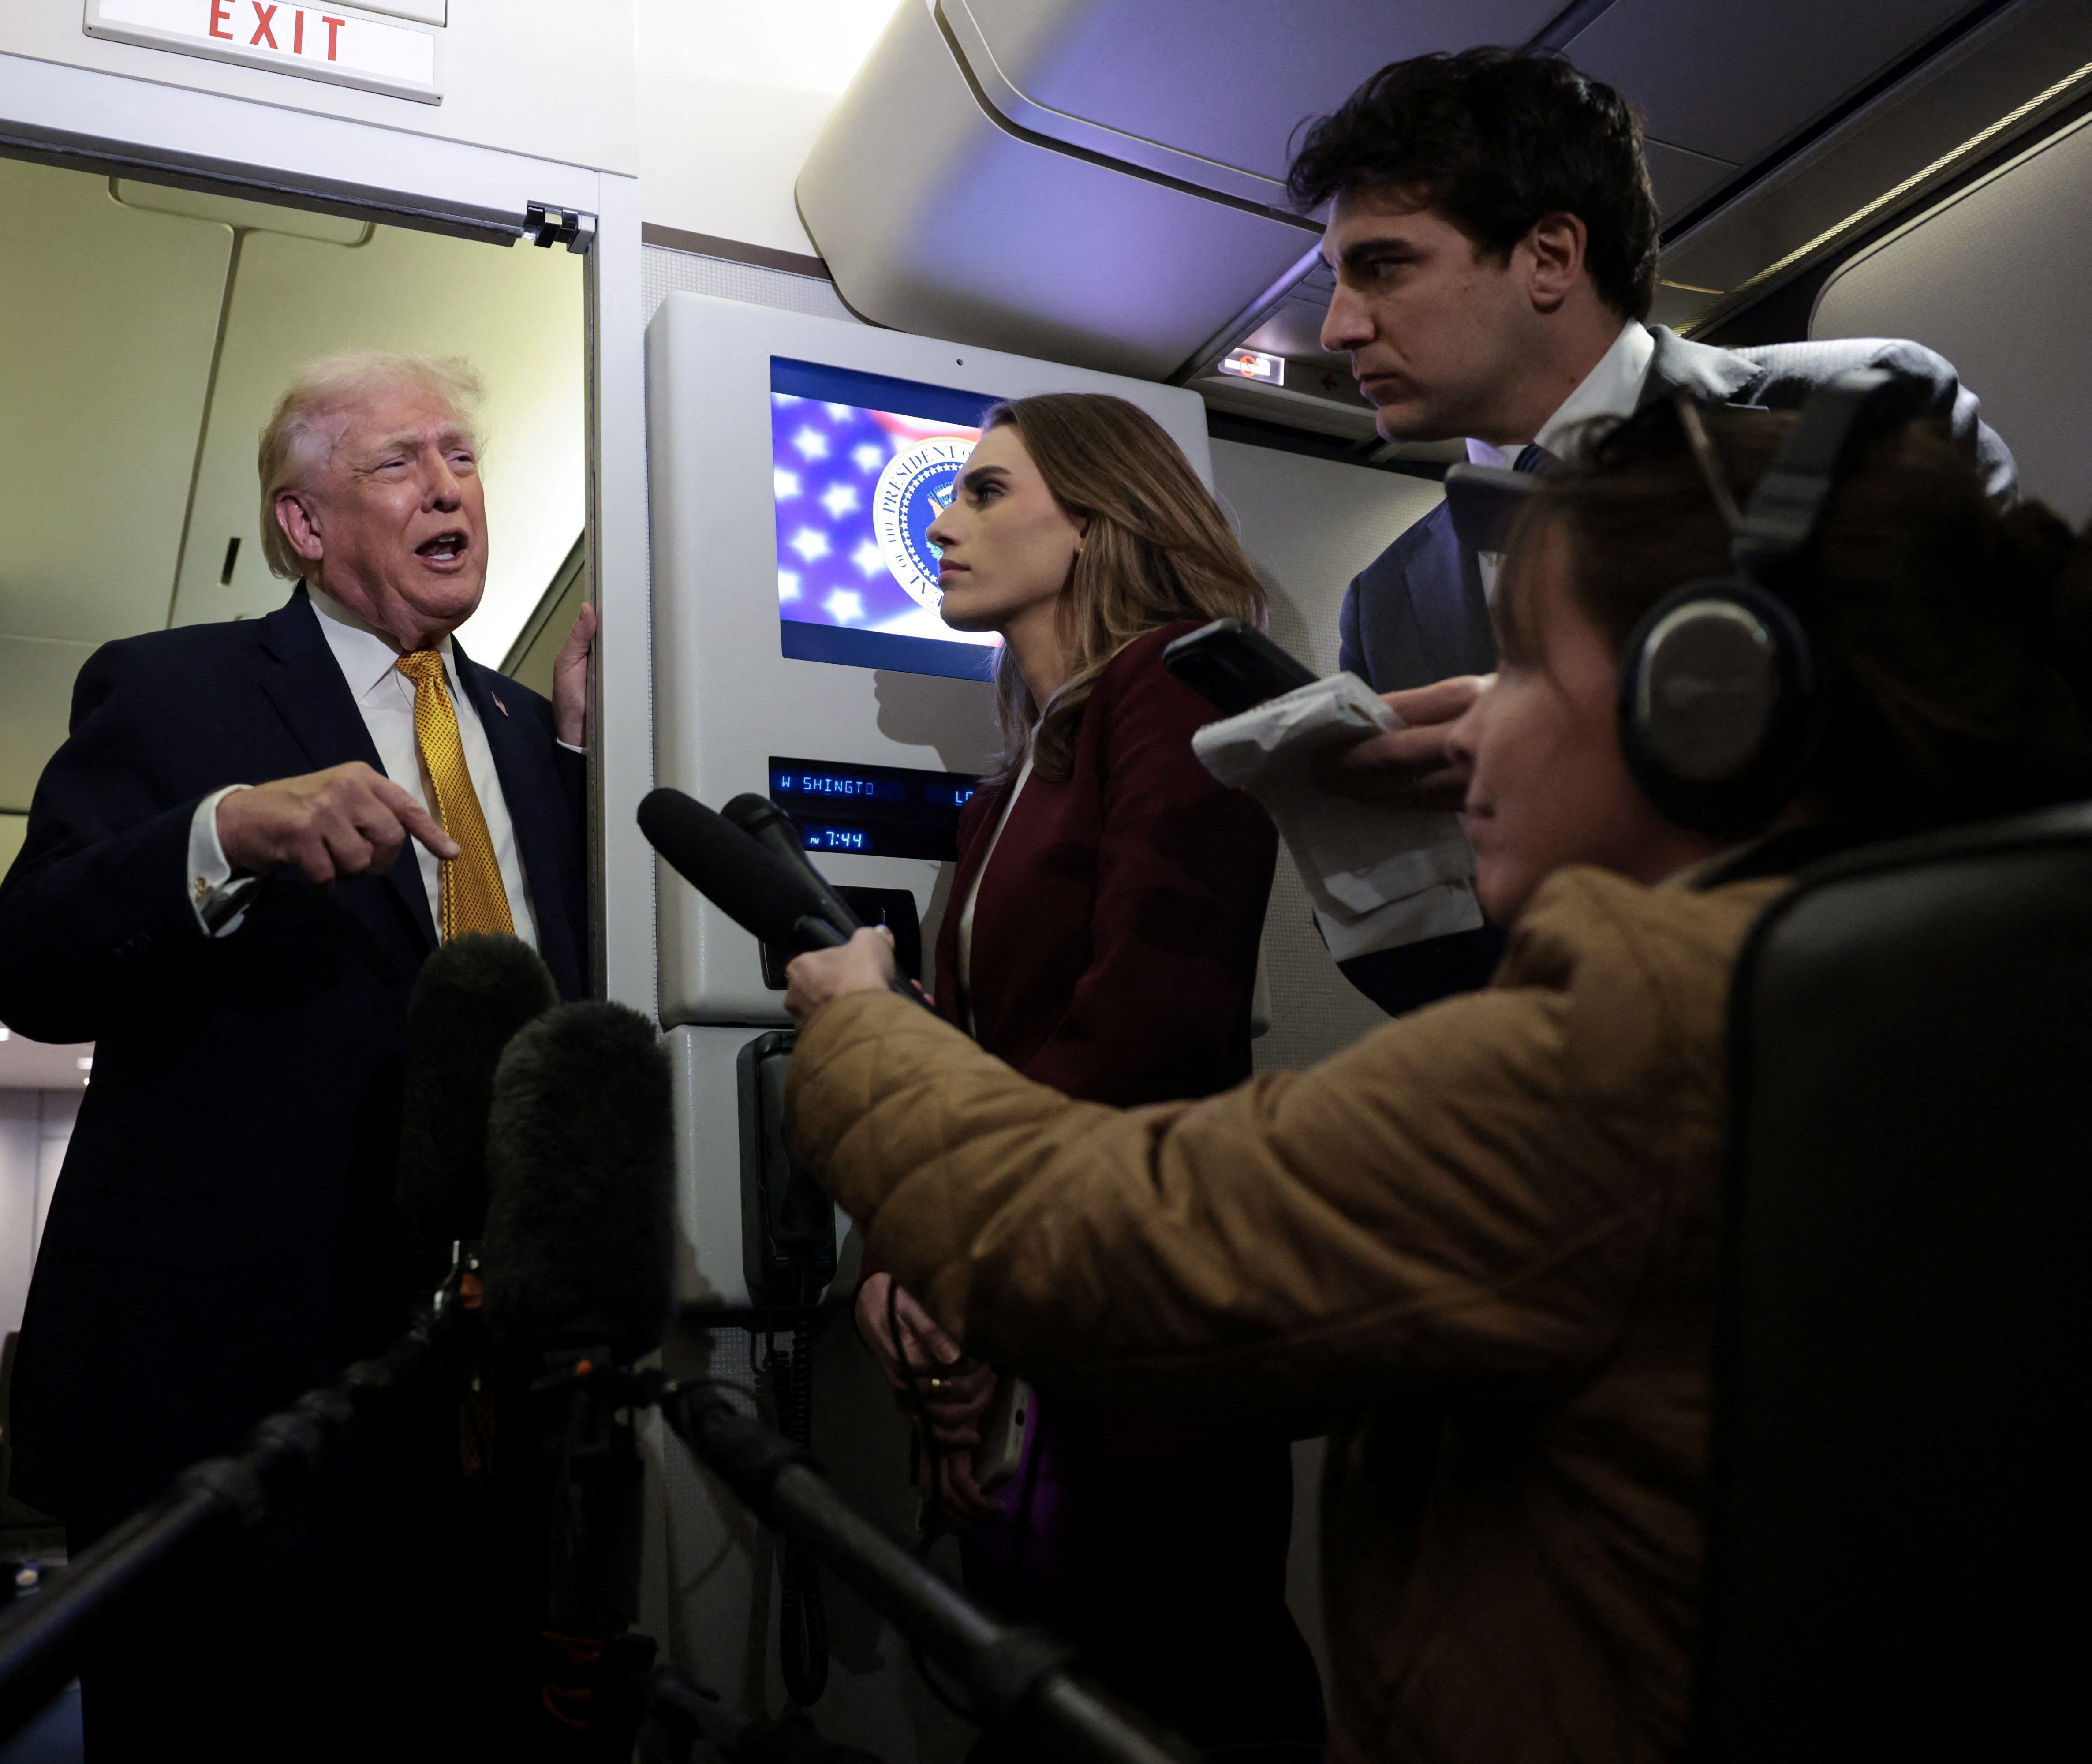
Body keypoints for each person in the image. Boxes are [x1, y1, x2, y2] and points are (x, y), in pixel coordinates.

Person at [777, 394, 2092, 1764]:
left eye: (1519, 667)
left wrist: (866, 1030)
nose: (1464, 724)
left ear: (1709, 709)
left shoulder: (1631, 1039)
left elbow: (1101, 1236)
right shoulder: (1880, 992)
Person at [0, 349, 595, 1760]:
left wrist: (589, 759)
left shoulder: (527, 732)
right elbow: (31, 962)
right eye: (400, 464)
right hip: (229, 1406)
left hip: (491, 1410)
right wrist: (226, 836)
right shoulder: (172, 693)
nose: (450, 487)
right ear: (304, 524)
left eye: (461, 457)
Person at [1288, 46, 2012, 1013]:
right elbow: (1452, 950)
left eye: (1381, 267)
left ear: (1549, 258)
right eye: (1337, 277)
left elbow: (1998, 745)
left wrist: (1579, 730)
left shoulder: (1854, 412)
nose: (1337, 327)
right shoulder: (1386, 602)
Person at [849, 393, 1315, 1753]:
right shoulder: (1002, 795)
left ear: (1102, 516)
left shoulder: (1176, 685)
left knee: (1172, 1700)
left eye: (987, 491)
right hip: (1024, 1321)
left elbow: (1149, 1026)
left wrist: (967, 1263)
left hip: (1141, 1336)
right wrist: (901, 1266)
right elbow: (954, 1055)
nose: (943, 521)